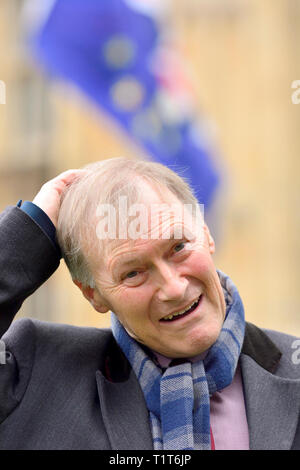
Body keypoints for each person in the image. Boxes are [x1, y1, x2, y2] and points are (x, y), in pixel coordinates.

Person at [0, 158, 299, 450]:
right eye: (133, 273)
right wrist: (29, 229)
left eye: (178, 247)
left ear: (205, 234)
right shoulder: (34, 380)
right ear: (93, 294)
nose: (174, 288)